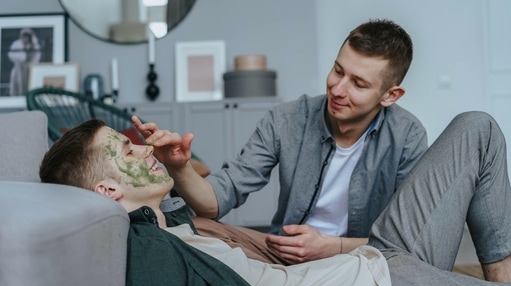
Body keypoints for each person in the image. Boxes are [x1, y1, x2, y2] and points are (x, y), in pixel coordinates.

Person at [39, 113, 511, 286]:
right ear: (106, 191)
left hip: (379, 252)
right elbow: (222, 197)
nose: (142, 147)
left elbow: (190, 209)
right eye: (126, 152)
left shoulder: (167, 220)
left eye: (358, 82)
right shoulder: (149, 243)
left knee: (476, 128)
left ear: (390, 95)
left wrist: (178, 167)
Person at [135, 18, 429, 265]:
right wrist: (180, 167)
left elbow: (404, 238)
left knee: (399, 261)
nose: (338, 89)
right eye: (338, 71)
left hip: (360, 257)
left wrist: (334, 247)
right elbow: (215, 202)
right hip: (282, 252)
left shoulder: (407, 137)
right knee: (196, 228)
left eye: (358, 83)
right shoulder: (287, 119)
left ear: (390, 95)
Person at [8, 28, 41, 96]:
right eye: (24, 36)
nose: (25, 38)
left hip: (29, 70)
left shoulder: (34, 46)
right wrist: (21, 59)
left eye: (28, 36)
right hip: (18, 69)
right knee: (17, 86)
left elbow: (36, 57)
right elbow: (11, 55)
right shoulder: (16, 44)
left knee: (29, 85)